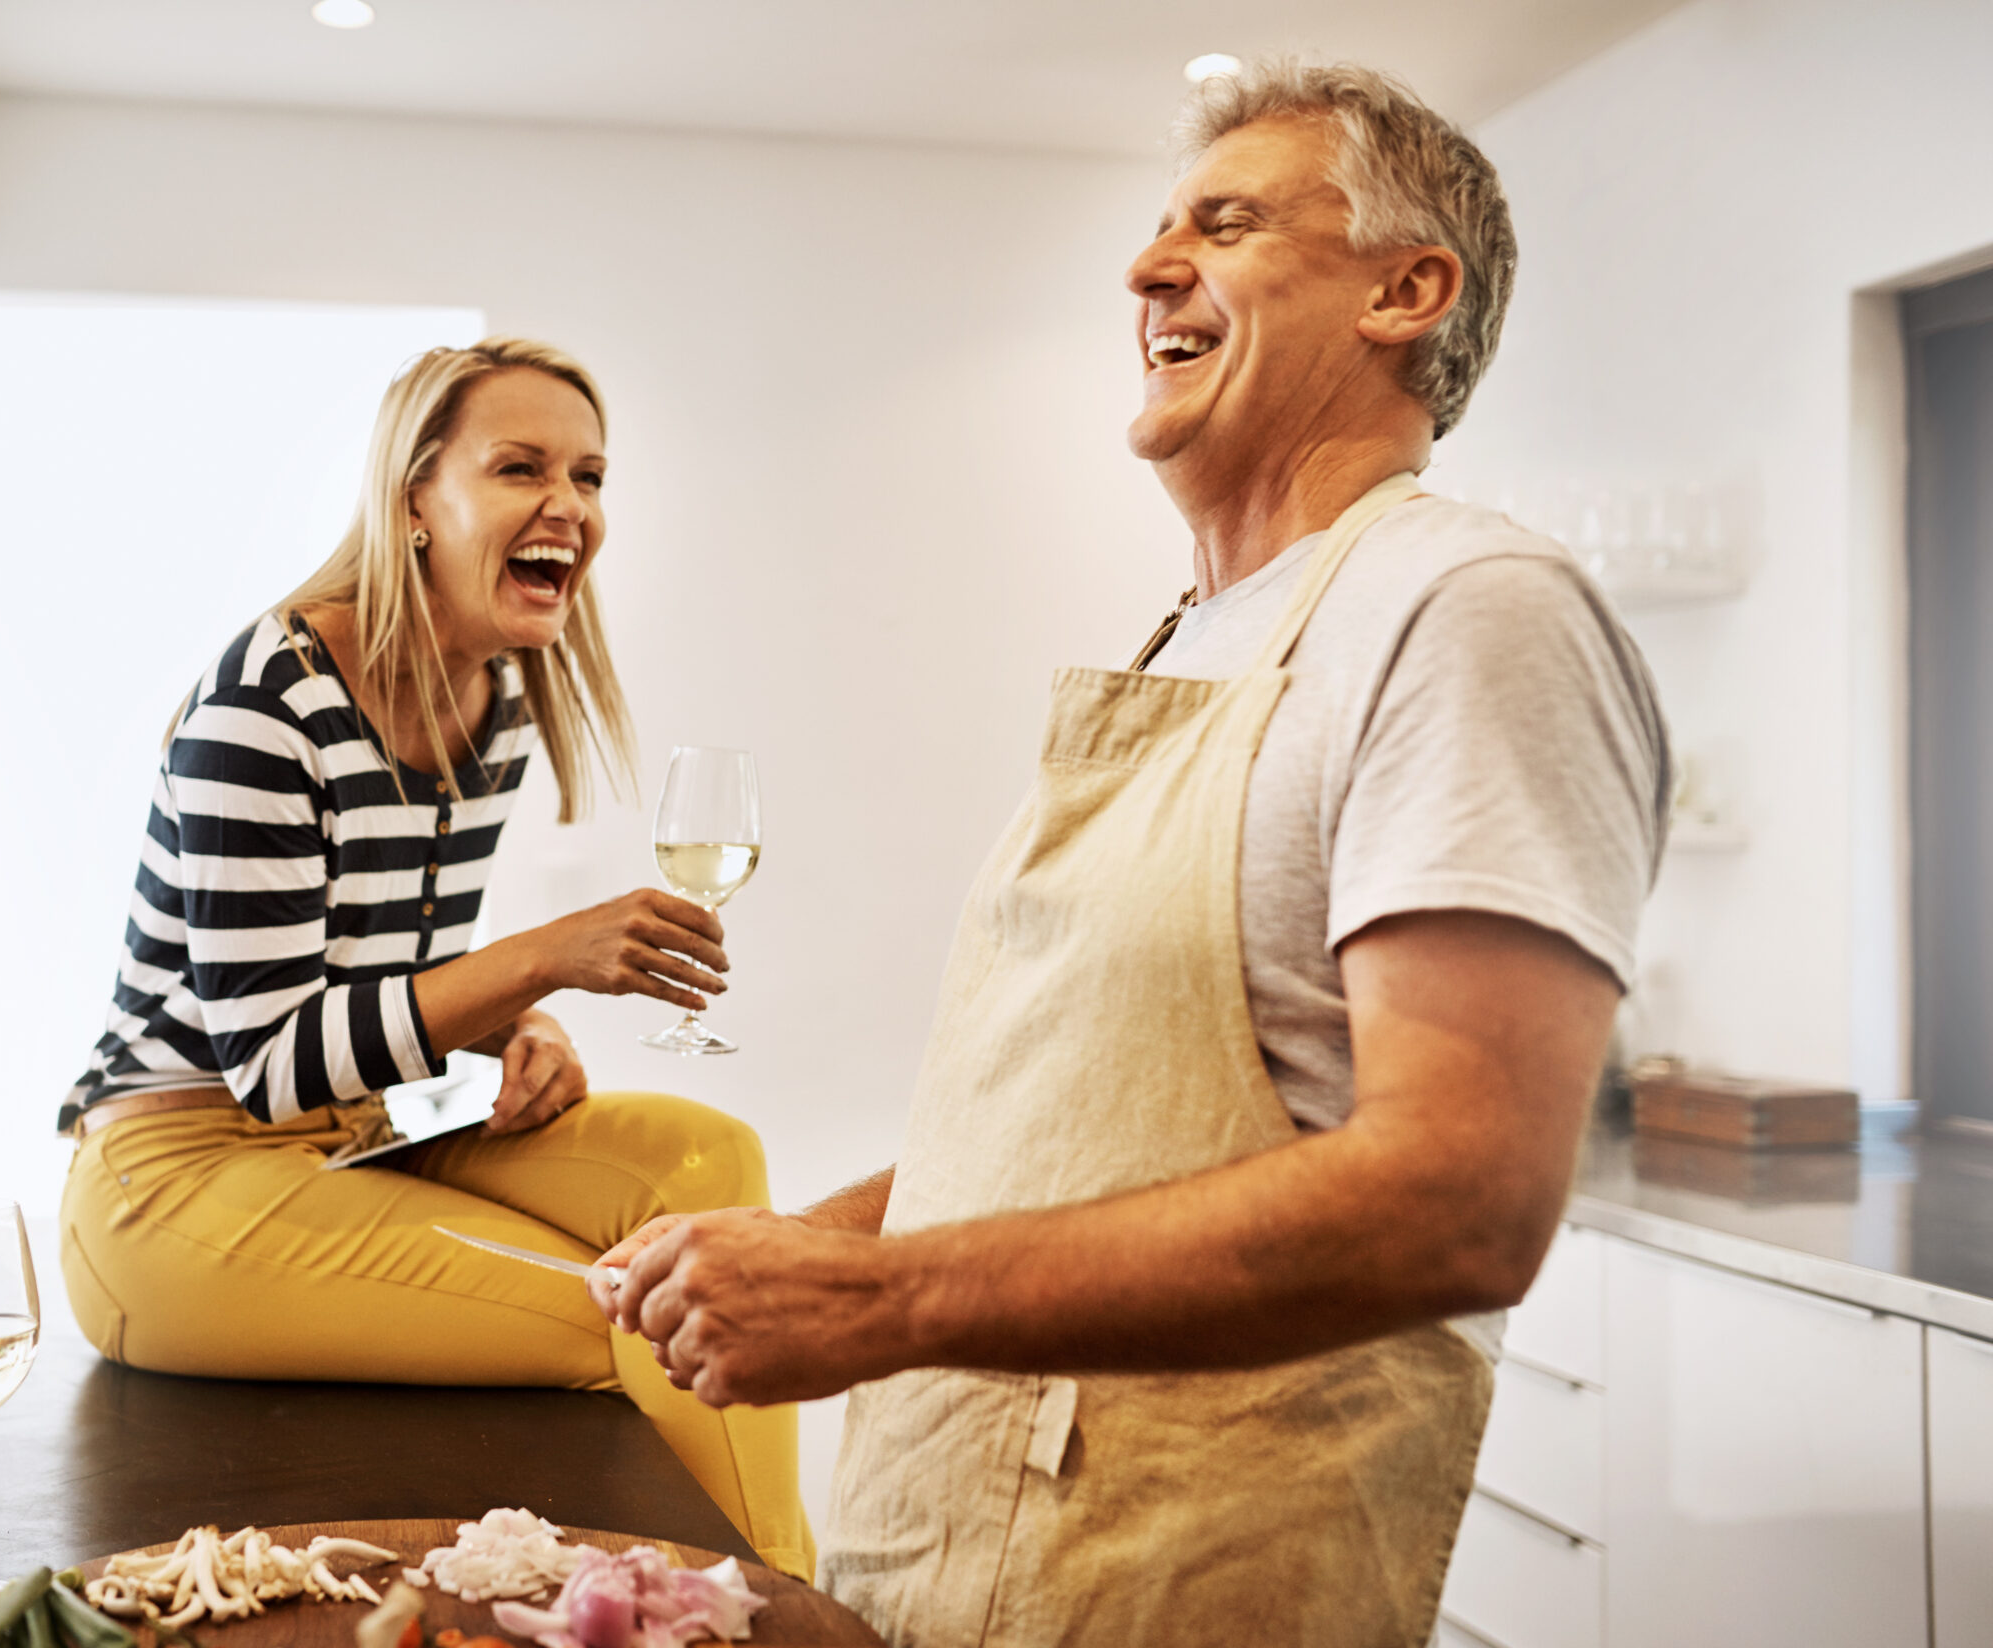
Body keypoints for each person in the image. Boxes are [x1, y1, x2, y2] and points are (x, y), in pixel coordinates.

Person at [589, 61, 1669, 1646]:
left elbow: (1462, 1200)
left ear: (1406, 290)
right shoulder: (1193, 639)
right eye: (1159, 228)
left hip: (1189, 1577)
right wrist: (824, 1241)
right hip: (952, 1543)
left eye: (1223, 225)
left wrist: (877, 1304)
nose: (1147, 268)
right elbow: (1081, 1130)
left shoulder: (1467, 610)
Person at [56, 338, 813, 1579]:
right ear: (415, 498)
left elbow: (382, 987)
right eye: (520, 467)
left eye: (589, 475)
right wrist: (539, 962)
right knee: (640, 1307)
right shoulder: (269, 701)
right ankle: (766, 1601)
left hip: (353, 1134)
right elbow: (272, 1062)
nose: (568, 506)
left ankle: (753, 1591)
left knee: (704, 1158)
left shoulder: (498, 704)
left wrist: (520, 1029)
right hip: (172, 1180)